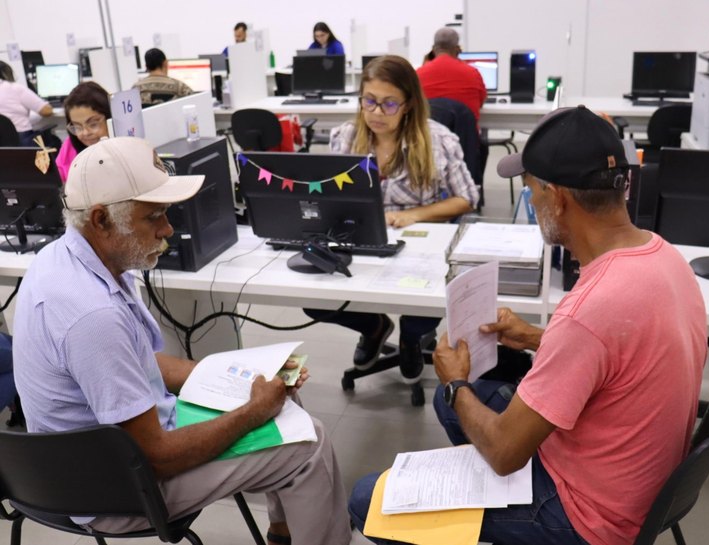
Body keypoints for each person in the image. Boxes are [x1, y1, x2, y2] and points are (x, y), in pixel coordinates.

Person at [348, 106, 708, 545]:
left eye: (532, 190)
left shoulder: (590, 309)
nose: (532, 203)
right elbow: (622, 353)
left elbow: (504, 454)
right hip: (634, 484)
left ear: (557, 197)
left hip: (587, 517)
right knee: (459, 402)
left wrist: (455, 382)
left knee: (368, 500)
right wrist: (540, 338)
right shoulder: (664, 256)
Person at [13, 137, 351, 545]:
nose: (168, 228)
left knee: (279, 393)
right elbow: (156, 457)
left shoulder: (66, 257)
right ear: (101, 219)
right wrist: (252, 411)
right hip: (113, 494)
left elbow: (135, 361)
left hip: (75, 467)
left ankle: (284, 534)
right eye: (153, 216)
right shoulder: (93, 316)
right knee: (308, 443)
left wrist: (240, 378)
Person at [304, 55, 478, 384]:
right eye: (369, 101)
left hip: (419, 246)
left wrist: (414, 214)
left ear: (408, 104)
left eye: (389, 103)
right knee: (312, 297)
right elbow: (329, 194)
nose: (376, 113)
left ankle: (412, 338)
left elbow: (467, 197)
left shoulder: (437, 140)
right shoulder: (345, 136)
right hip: (359, 239)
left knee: (425, 303)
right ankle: (374, 326)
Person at [416, 27, 486, 122]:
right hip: (464, 131)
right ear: (458, 49)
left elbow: (415, 106)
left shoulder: (419, 74)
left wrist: (425, 64)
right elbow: (480, 102)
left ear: (433, 49)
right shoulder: (473, 73)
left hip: (431, 131)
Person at [55, 81, 110, 182]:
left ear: (109, 117)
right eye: (77, 127)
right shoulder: (69, 146)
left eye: (93, 124)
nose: (85, 133)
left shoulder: (126, 147)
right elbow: (57, 178)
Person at [0, 60, 54, 146]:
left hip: (3, 145)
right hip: (21, 139)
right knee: (54, 140)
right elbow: (47, 111)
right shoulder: (14, 88)